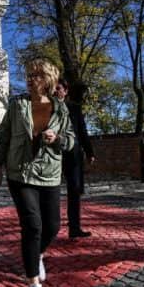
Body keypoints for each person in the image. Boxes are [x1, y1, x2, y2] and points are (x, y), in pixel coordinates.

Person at [0, 59, 75, 287]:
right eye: (28, 74)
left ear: (48, 79)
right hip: (20, 173)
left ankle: (35, 254)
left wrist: (57, 138)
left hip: (49, 174)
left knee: (52, 227)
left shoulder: (61, 108)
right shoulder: (18, 105)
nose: (30, 78)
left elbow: (71, 141)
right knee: (32, 225)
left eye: (37, 75)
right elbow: (2, 135)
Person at [54, 78, 95, 238]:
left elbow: (82, 132)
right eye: (54, 89)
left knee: (75, 191)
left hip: (73, 155)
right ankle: (49, 228)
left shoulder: (75, 109)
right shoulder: (47, 108)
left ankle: (74, 228)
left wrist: (90, 152)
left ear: (66, 91)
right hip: (54, 156)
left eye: (59, 89)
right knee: (51, 191)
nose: (56, 91)